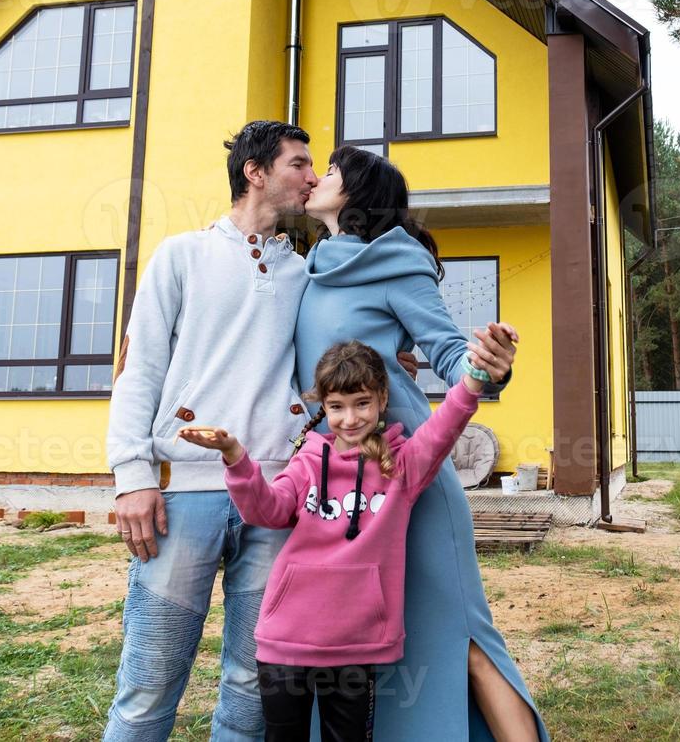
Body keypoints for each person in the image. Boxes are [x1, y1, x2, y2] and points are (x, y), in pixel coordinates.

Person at [296, 146, 546, 741]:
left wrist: (489, 366)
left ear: (356, 191)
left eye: (329, 171)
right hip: (339, 480)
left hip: (409, 472)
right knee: (363, 635)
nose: (316, 177)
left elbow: (447, 348)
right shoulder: (310, 266)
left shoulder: (397, 260)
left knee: (457, 632)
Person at [174, 334, 516, 742]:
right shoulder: (307, 461)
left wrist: (475, 377)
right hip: (286, 640)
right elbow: (265, 511)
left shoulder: (402, 466)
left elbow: (446, 425)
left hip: (356, 645)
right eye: (336, 407)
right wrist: (235, 457)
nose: (349, 419)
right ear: (324, 406)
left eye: (361, 404)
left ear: (381, 399)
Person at [102, 120, 319, 742]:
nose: (311, 178)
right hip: (181, 497)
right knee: (150, 680)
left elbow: (312, 378)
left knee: (253, 683)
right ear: (255, 171)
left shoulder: (304, 274)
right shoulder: (181, 256)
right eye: (299, 165)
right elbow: (137, 370)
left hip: (273, 499)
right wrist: (132, 478)